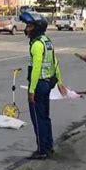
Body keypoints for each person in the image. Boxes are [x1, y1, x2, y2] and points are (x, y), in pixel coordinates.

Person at [20, 12, 67, 160]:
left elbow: (36, 68)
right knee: (45, 117)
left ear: (36, 28)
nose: (27, 29)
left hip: (39, 85)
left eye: (29, 26)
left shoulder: (36, 45)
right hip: (47, 84)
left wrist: (31, 90)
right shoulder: (47, 41)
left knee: (38, 118)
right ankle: (49, 146)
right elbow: (55, 62)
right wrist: (59, 81)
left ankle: (41, 150)